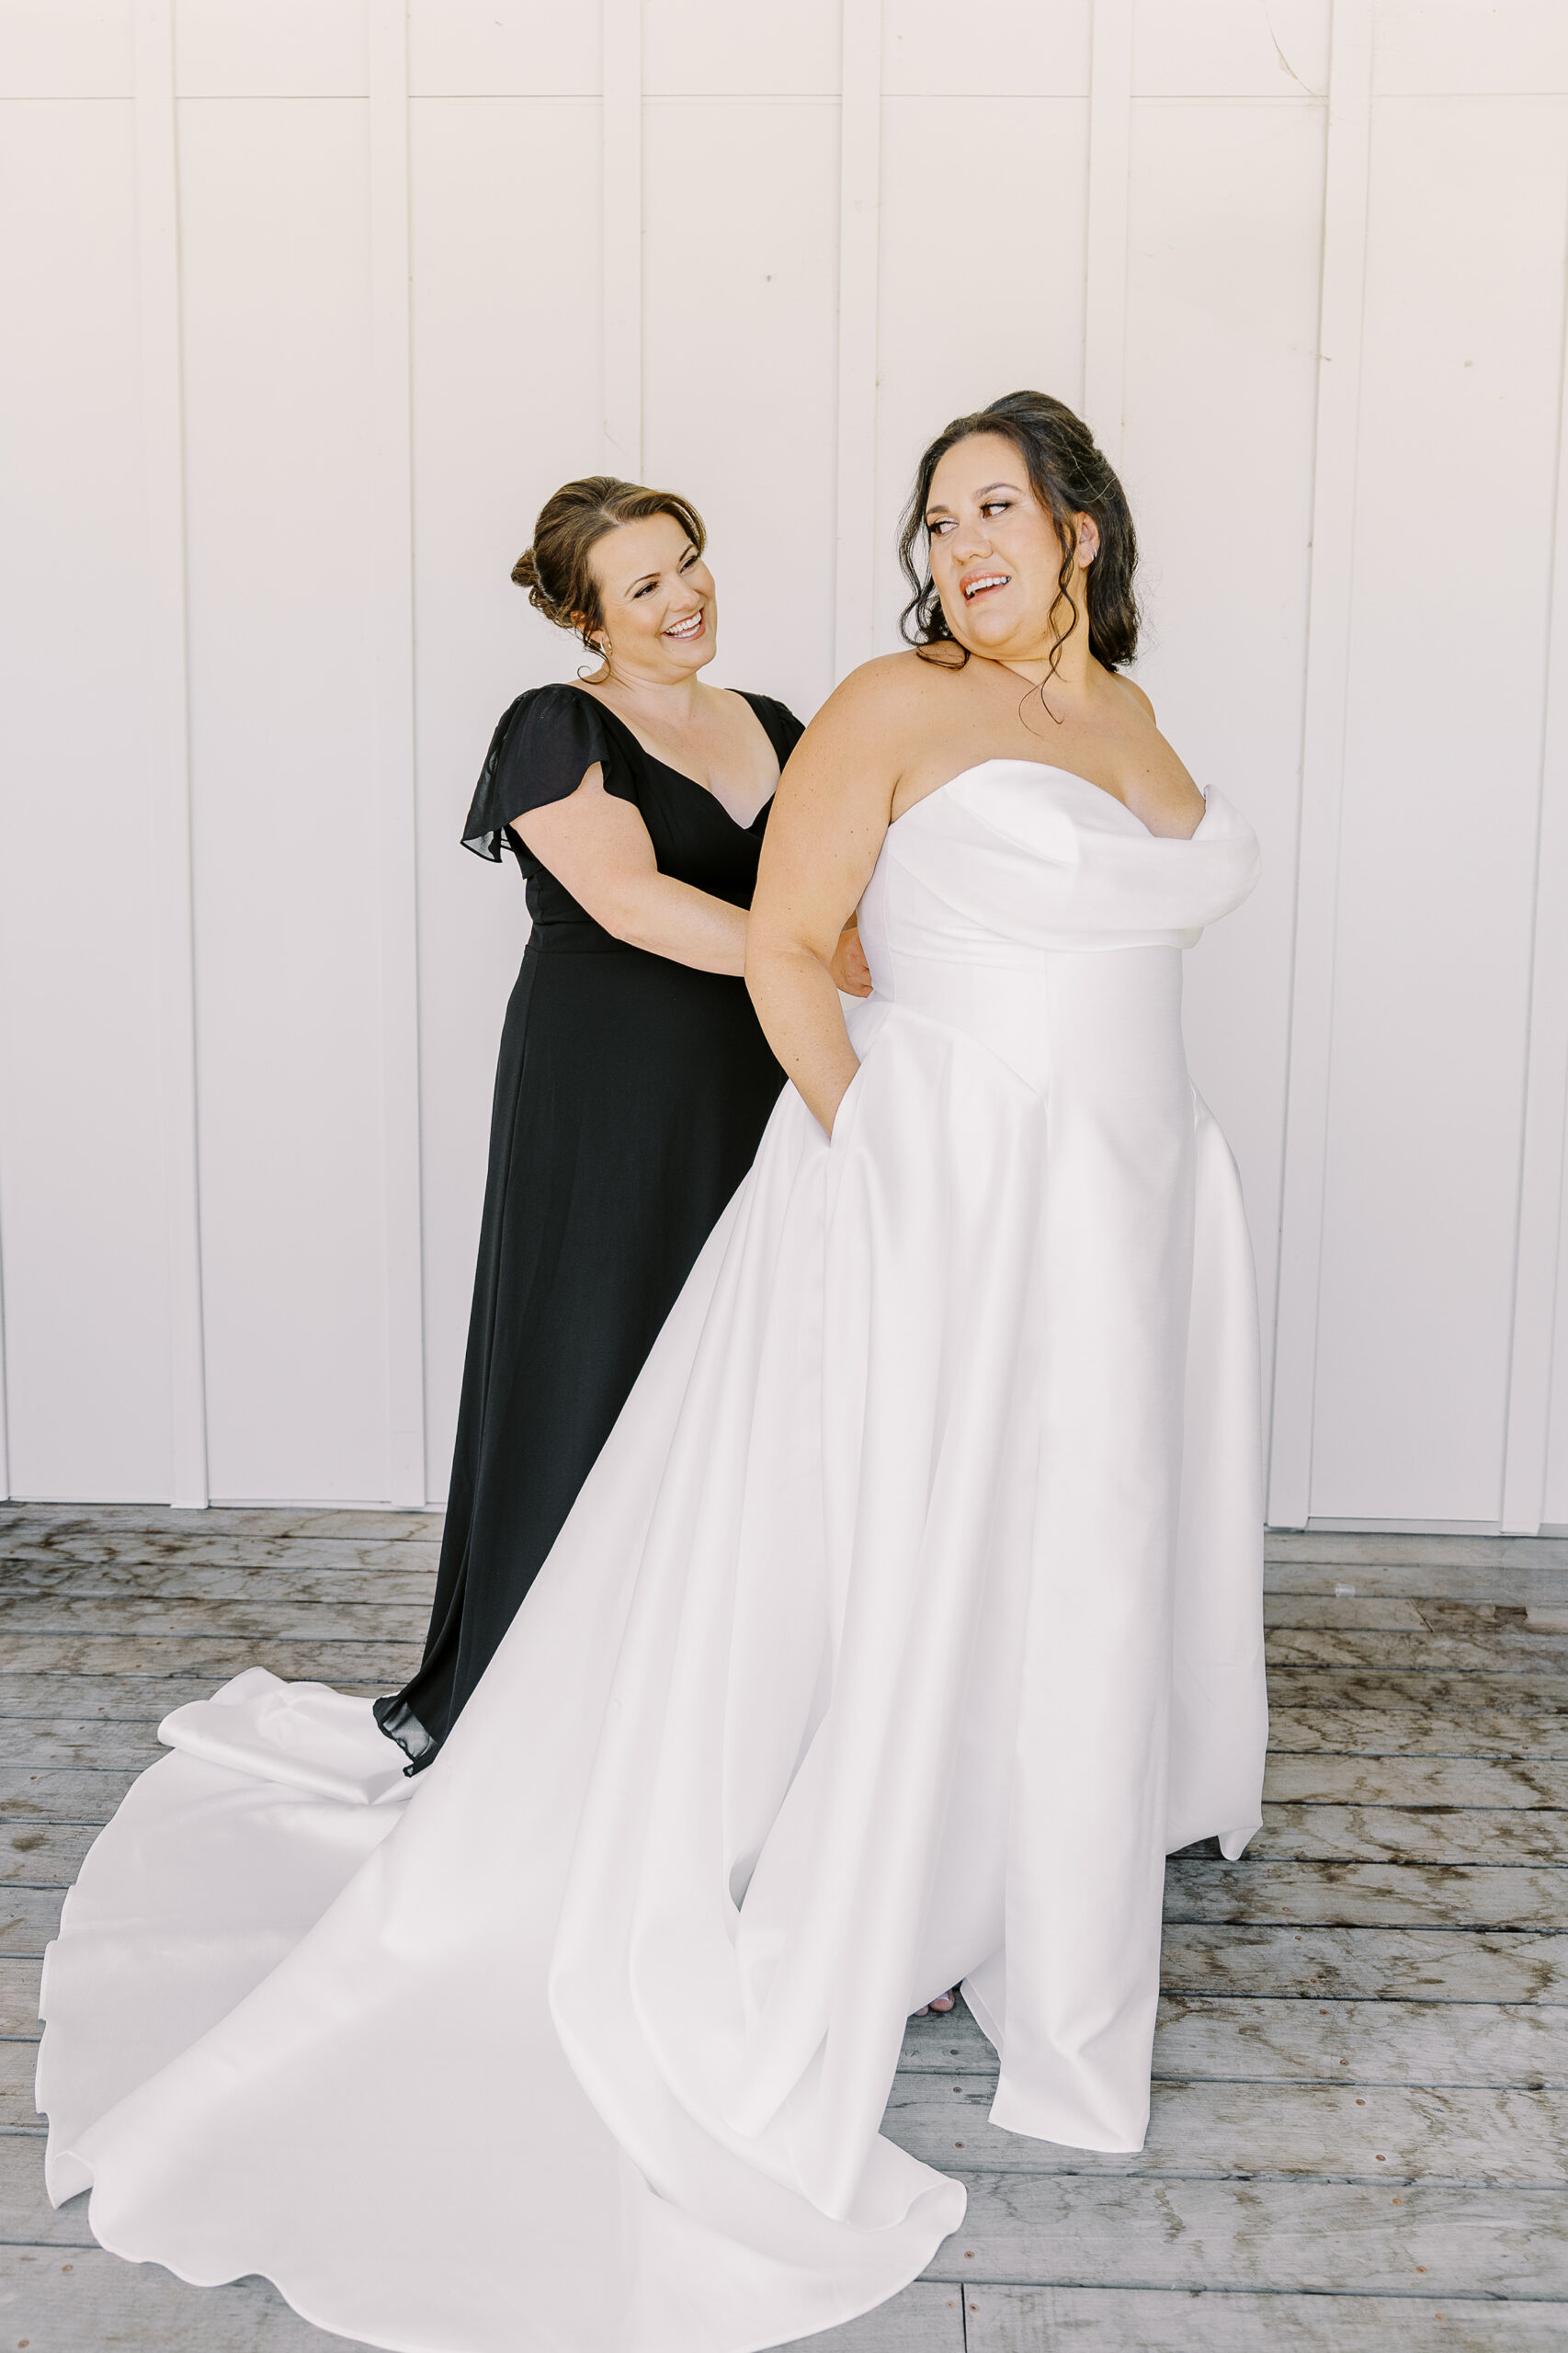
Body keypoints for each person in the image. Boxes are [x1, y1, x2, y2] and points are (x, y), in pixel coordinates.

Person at [37, 392, 1267, 2353]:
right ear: (583, 612)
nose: (960, 543)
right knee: (704, 1438)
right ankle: (703, 1779)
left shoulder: (957, 714)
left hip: (1055, 1174)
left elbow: (884, 913)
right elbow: (736, 924)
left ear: (1079, 530)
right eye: (939, 516)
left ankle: (993, 1842)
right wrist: (891, 1126)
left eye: (994, 510)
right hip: (731, 1113)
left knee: (1004, 1512)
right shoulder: (708, 716)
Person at [376, 475, 869, 1770]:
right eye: (643, 585)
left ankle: (718, 1684)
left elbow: (845, 880)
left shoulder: (775, 723)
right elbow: (633, 902)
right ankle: (548, 1694)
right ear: (586, 620)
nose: (684, 596)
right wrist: (808, 954)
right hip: (607, 1091)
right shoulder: (555, 727)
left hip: (755, 1076)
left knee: (745, 1353)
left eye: (688, 562)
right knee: (602, 1343)